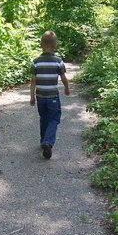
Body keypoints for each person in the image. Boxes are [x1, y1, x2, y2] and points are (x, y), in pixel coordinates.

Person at [30, 31, 70, 159]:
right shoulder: (58, 61)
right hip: (52, 96)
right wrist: (67, 88)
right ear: (55, 45)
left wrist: (32, 96)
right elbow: (63, 78)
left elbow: (33, 81)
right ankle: (48, 142)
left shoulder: (36, 62)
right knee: (54, 118)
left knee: (44, 117)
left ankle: (43, 142)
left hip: (40, 96)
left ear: (41, 44)